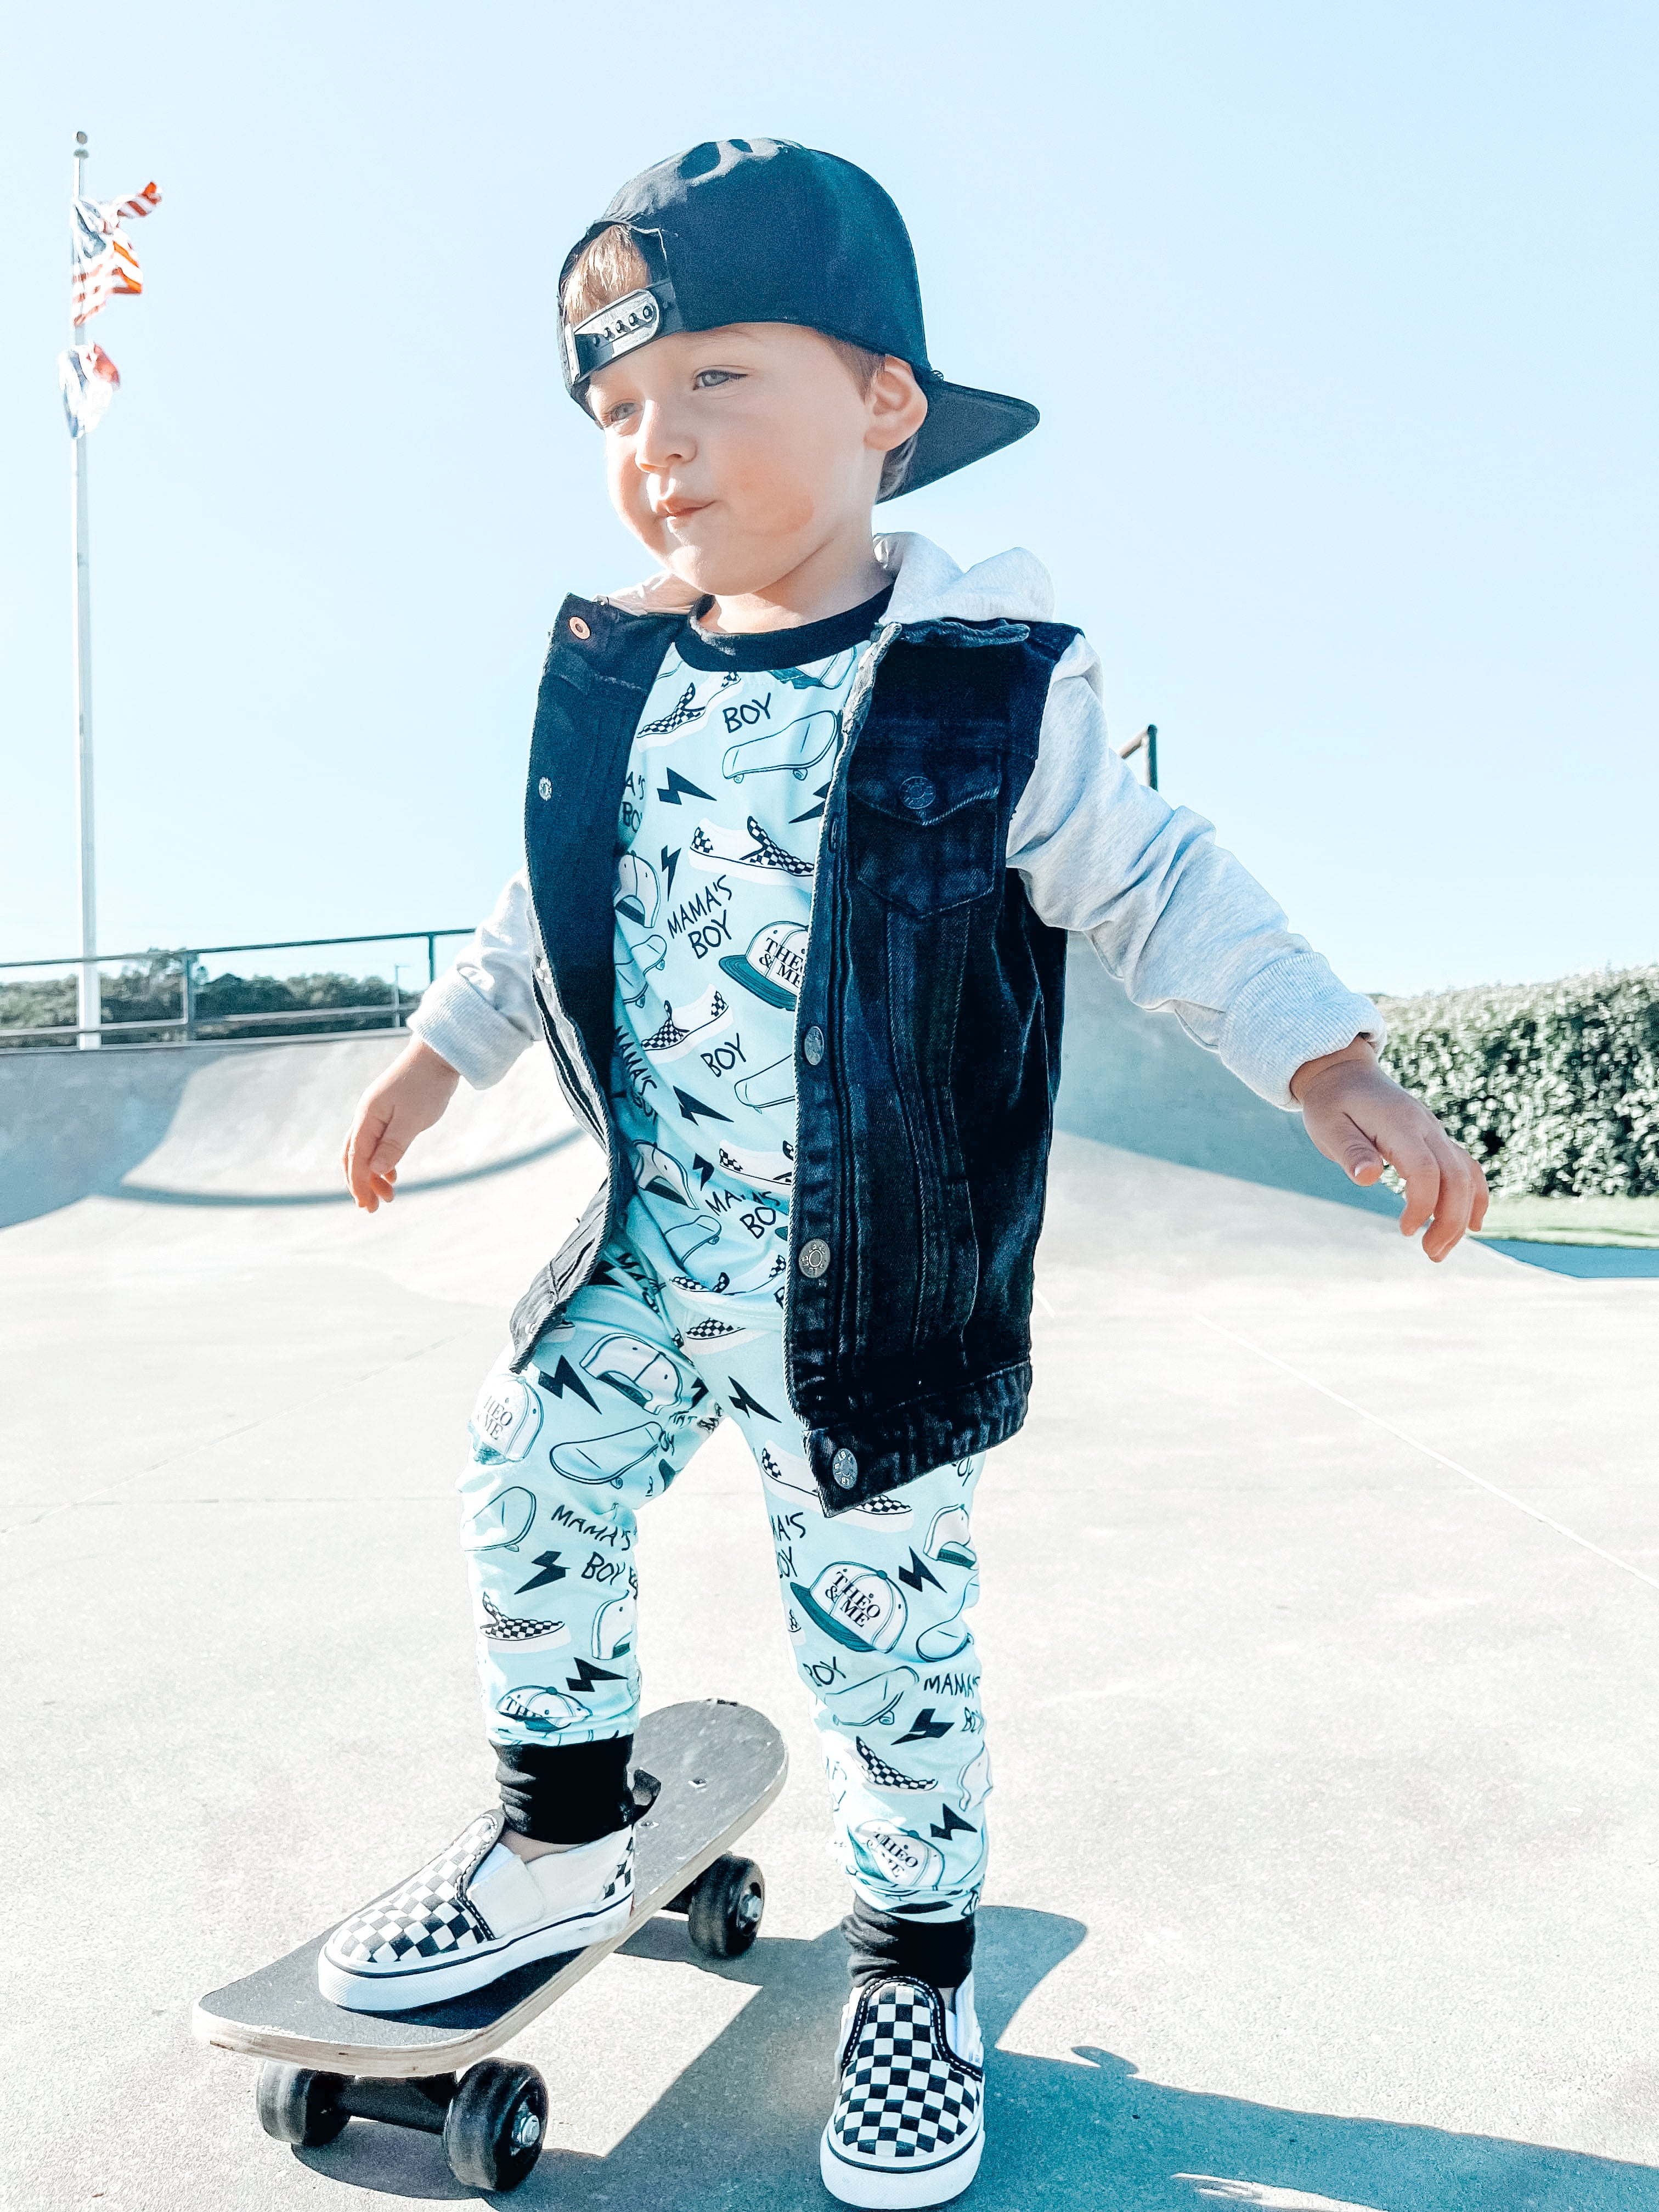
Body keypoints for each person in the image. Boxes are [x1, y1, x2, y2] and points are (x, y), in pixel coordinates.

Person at [327, 140, 1487, 2208]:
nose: (660, 446)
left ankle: (911, 1966)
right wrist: (437, 1057)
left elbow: (1158, 882)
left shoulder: (982, 686)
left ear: (883, 403)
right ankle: (561, 1828)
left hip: (868, 1294)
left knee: (885, 1642)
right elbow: (538, 904)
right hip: (654, 1246)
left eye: (716, 381)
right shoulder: (627, 680)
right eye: (619, 409)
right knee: (525, 1472)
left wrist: (1329, 1058)